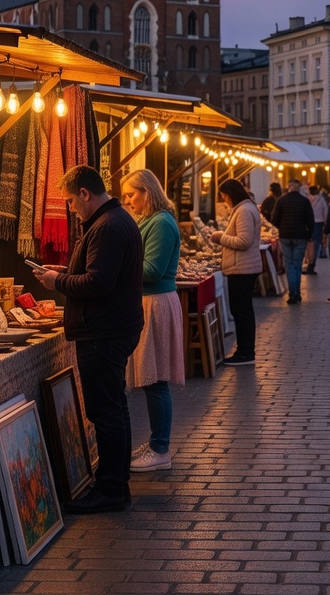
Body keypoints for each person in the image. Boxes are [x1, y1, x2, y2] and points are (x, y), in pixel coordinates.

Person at [32, 165, 143, 514]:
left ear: (84, 193)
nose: (70, 208)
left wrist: (57, 282)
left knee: (104, 410)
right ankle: (115, 482)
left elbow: (98, 283)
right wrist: (67, 272)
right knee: (115, 407)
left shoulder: (107, 227)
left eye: (70, 201)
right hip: (112, 327)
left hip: (103, 331)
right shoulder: (113, 221)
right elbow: (99, 273)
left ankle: (110, 488)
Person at [119, 169, 184, 473]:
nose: (127, 200)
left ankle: (160, 448)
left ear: (147, 191)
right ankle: (157, 442)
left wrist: (116, 269)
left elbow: (151, 271)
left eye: (131, 194)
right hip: (149, 302)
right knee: (151, 379)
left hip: (155, 303)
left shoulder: (160, 223)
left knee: (156, 380)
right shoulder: (150, 220)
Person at [212, 179, 263, 365]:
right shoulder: (245, 208)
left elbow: (244, 241)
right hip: (242, 267)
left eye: (224, 196)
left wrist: (221, 238)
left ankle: (245, 352)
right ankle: (245, 350)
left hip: (242, 268)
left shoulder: (243, 211)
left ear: (231, 194)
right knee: (243, 310)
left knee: (242, 311)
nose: (224, 200)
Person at [271, 179, 314, 303]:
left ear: (288, 187)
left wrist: (282, 228)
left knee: (289, 265)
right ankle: (297, 293)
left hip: (285, 236)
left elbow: (274, 219)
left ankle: (292, 294)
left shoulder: (281, 201)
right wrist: (309, 235)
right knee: (297, 265)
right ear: (299, 188)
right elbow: (310, 220)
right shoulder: (304, 201)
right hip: (300, 236)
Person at [304, 185, 328, 274]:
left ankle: (307, 262)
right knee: (316, 244)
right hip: (319, 223)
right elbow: (326, 211)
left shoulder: (307, 200)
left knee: (308, 244)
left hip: (308, 223)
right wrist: (325, 222)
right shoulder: (321, 200)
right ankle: (312, 264)